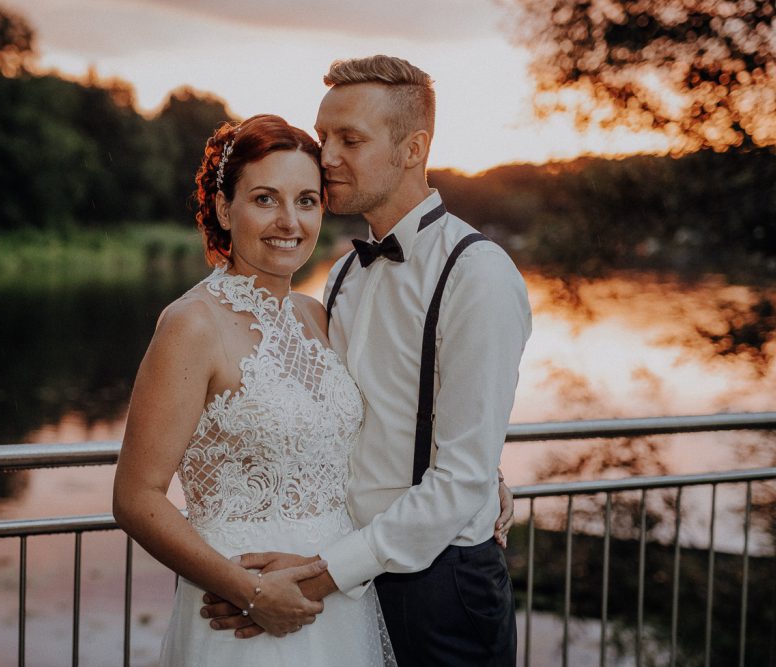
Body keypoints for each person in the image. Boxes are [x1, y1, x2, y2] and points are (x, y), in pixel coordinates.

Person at [203, 56, 532, 665]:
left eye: (349, 140)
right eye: (324, 136)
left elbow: (460, 475)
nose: (326, 156)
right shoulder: (345, 273)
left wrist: (326, 574)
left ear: (413, 149)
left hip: (441, 585)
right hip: (349, 571)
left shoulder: (478, 274)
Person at [112, 114, 395, 666]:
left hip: (334, 601)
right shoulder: (192, 324)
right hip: (240, 614)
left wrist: (483, 480)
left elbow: (387, 430)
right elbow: (136, 497)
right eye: (265, 199)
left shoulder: (317, 316)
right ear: (224, 209)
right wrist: (254, 593)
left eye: (307, 201)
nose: (289, 221)